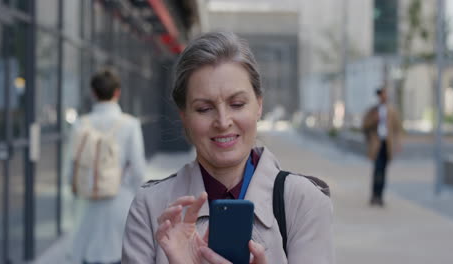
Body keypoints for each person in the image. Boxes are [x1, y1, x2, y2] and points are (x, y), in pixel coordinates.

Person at [122, 32, 334, 264]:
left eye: (237, 104)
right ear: (184, 116)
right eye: (204, 108)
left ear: (259, 106)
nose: (223, 122)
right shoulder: (150, 207)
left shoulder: (302, 201)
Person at [68, 69, 146, 264]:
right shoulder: (130, 124)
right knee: (119, 254)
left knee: (89, 253)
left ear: (93, 93)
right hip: (120, 200)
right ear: (117, 93)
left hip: (88, 201)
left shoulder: (80, 124)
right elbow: (138, 169)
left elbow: (72, 166)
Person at [362, 87, 402, 207]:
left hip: (387, 144)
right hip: (376, 144)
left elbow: (397, 128)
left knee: (383, 170)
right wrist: (374, 120)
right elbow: (364, 125)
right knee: (377, 170)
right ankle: (375, 195)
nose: (383, 97)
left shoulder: (392, 111)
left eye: (385, 94)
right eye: (381, 95)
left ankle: (380, 196)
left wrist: (398, 143)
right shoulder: (373, 110)